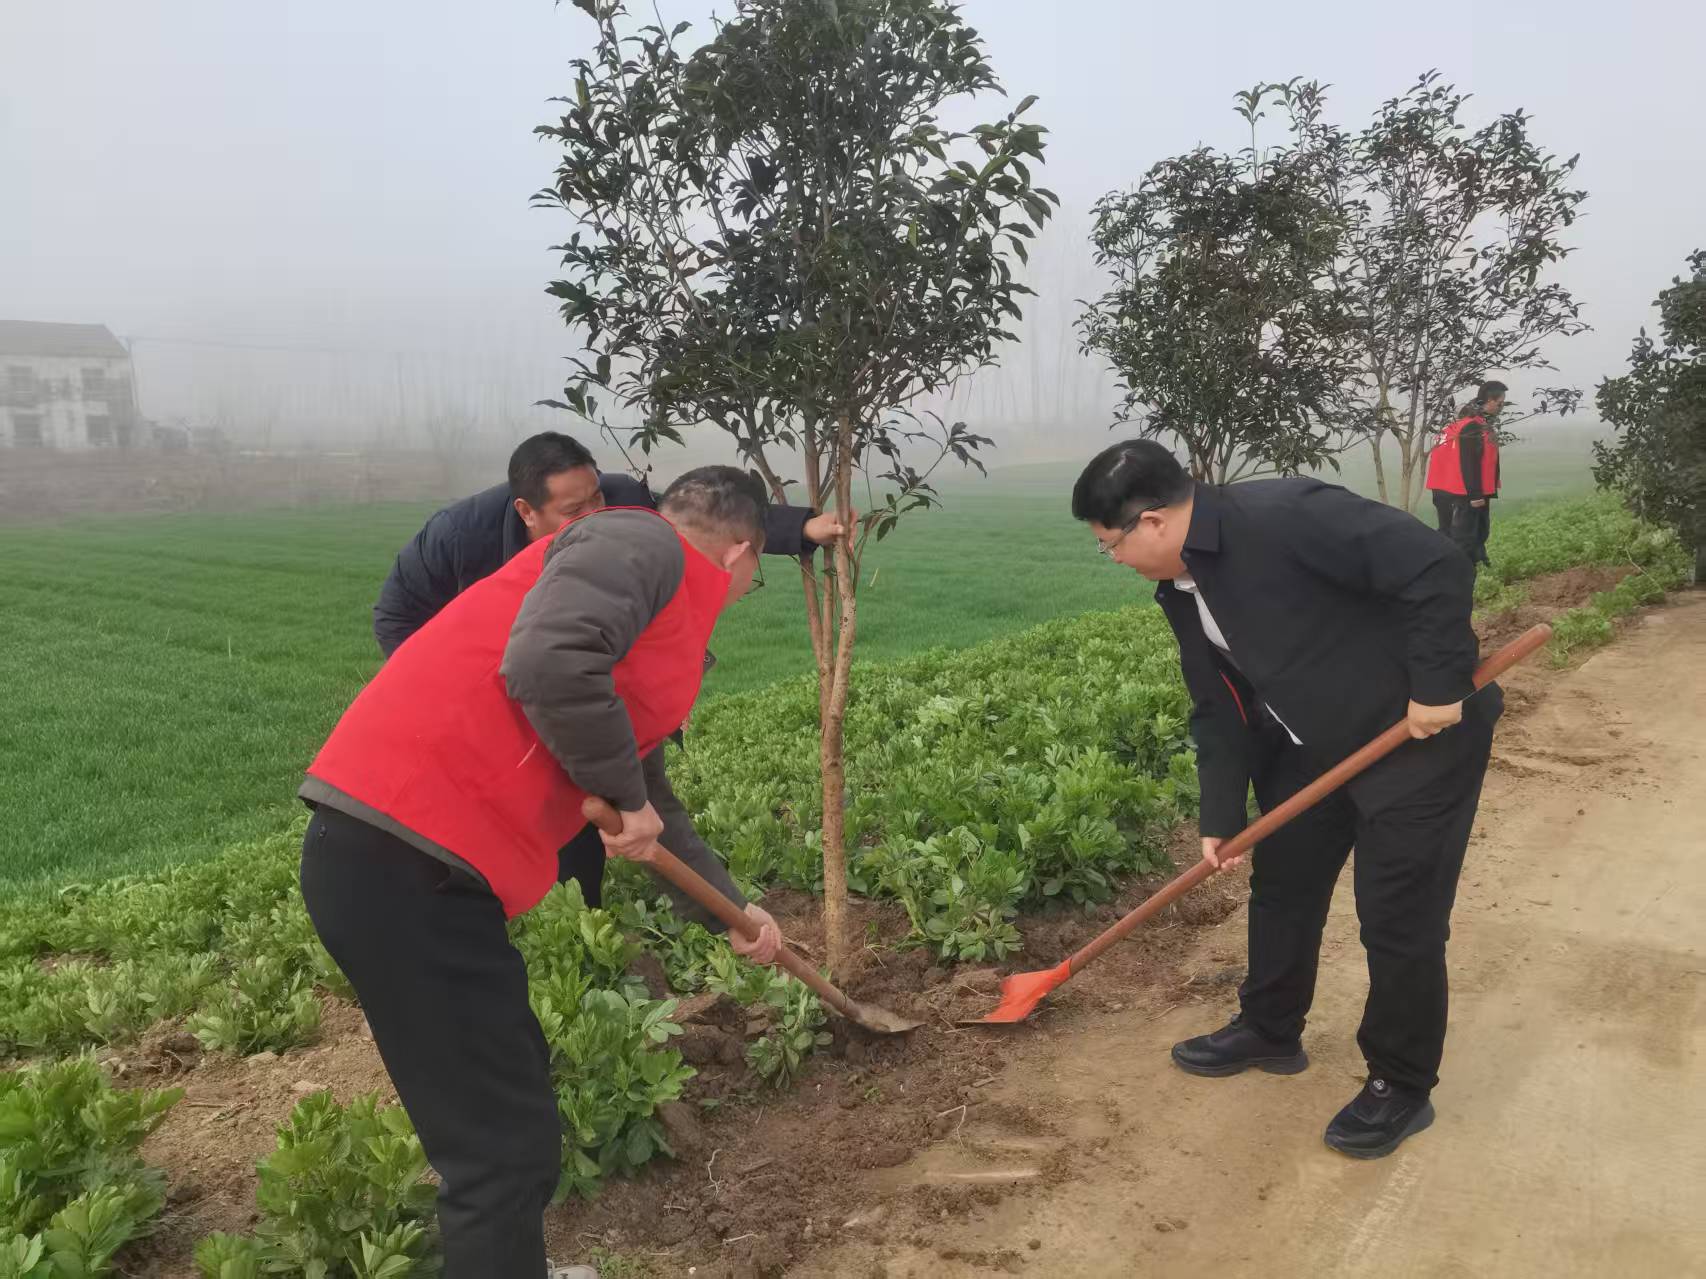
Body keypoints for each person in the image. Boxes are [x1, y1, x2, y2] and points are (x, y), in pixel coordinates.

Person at [299, 466, 785, 1278]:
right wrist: (626, 796)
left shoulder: (642, 614)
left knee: (512, 1096)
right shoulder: (642, 544)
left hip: (418, 863)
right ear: (739, 552)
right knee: (497, 1143)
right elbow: (548, 660)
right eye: (755, 577)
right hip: (404, 854)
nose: (743, 593)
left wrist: (736, 909)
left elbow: (646, 791)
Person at [1071, 440, 1502, 1160]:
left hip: (1416, 740)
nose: (1112, 558)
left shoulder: (1285, 515)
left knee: (1397, 918)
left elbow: (1436, 564)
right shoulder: (1182, 588)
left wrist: (1437, 682)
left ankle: (1400, 1081)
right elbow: (1217, 703)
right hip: (1312, 746)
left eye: (1109, 544)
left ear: (1152, 522)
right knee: (1283, 888)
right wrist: (1220, 815)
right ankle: (1270, 1029)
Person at [373, 431, 848, 910]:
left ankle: (579, 915)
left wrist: (800, 527)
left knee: (590, 791)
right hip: (493, 718)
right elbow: (401, 616)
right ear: (527, 512)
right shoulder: (457, 536)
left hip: (578, 698)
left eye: (596, 498)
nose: (594, 515)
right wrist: (440, 698)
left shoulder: (627, 513)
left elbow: (703, 515)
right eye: (574, 510)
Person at [1426, 380, 1507, 567]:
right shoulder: (1472, 427)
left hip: (1444, 488)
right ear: (1490, 401)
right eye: (1500, 403)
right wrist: (1475, 495)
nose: (1501, 408)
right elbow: (1469, 462)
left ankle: (1466, 564)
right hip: (1465, 491)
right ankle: (1460, 571)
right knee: (1465, 537)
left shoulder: (1461, 424)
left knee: (1451, 533)